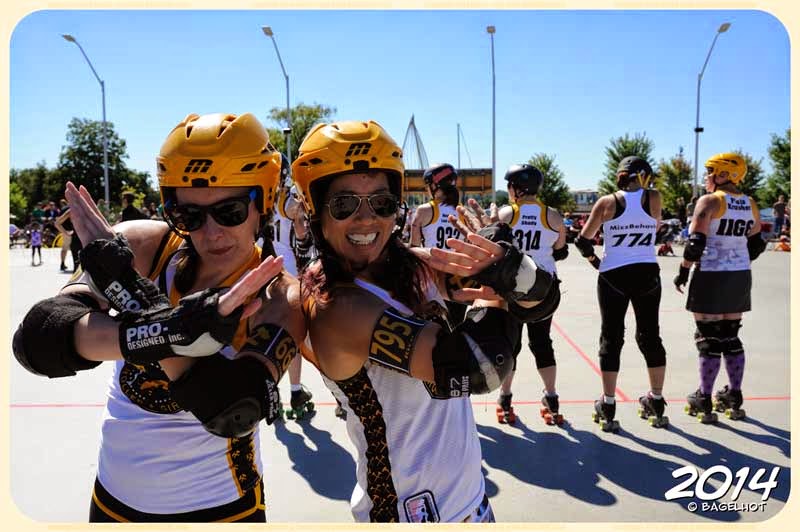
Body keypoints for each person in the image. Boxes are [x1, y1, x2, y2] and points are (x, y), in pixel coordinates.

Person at [13, 112, 303, 522]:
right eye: (189, 216)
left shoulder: (280, 296)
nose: (211, 233)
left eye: (230, 211)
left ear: (264, 202)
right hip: (112, 502)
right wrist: (171, 329)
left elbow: (232, 409)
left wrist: (136, 300)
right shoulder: (143, 244)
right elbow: (38, 341)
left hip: (222, 510)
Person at [291, 120, 554, 522]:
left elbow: (541, 299)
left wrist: (508, 264)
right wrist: (499, 285)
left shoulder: (407, 265)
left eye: (381, 203)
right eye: (344, 204)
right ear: (315, 210)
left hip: (471, 502)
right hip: (407, 514)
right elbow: (480, 366)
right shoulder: (334, 305)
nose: (366, 219)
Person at [574, 155, 669, 431]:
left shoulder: (607, 202)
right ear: (644, 176)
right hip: (647, 271)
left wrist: (595, 262)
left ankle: (608, 404)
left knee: (611, 337)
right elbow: (656, 227)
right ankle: (657, 400)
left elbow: (583, 241)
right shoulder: (653, 198)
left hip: (614, 274)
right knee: (650, 336)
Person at [674, 152, 764, 423]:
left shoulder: (710, 200)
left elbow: (695, 244)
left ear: (724, 174)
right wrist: (736, 259)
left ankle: (704, 398)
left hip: (711, 274)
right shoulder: (750, 203)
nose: (707, 177)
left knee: (708, 339)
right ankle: (733, 396)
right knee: (731, 336)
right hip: (740, 275)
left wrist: (683, 271)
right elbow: (757, 244)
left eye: (710, 171)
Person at [491, 163, 568, 425]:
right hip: (545, 290)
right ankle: (552, 398)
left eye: (510, 186)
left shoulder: (507, 213)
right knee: (542, 343)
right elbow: (560, 249)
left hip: (514, 290)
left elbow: (494, 246)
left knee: (511, 345)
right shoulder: (552, 216)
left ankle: (505, 398)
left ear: (517, 188)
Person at [269, 173, 315, 419]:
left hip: (261, 268)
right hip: (286, 271)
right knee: (293, 335)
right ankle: (295, 391)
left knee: (263, 333)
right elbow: (301, 234)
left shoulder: (260, 199)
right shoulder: (288, 201)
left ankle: (270, 391)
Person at [410, 162, 467, 324]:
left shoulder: (424, 210)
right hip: (457, 279)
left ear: (435, 185)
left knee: (433, 330)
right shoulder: (463, 211)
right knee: (456, 327)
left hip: (432, 279)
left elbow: (414, 247)